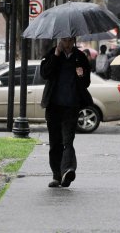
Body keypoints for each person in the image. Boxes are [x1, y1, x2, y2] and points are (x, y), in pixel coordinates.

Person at [40, 37, 92, 188]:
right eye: (64, 40)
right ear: (59, 41)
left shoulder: (80, 57)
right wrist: (56, 55)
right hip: (54, 106)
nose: (67, 44)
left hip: (71, 106)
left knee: (67, 141)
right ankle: (57, 175)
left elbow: (86, 82)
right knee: (55, 142)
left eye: (70, 40)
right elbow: (45, 74)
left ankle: (68, 170)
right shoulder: (51, 54)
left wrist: (81, 75)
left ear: (74, 40)